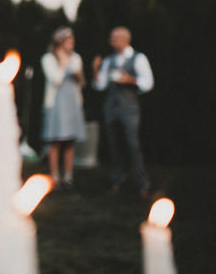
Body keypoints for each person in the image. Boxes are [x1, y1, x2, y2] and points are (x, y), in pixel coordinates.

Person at [92, 26, 154, 196]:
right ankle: (117, 179)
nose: (111, 40)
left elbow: (148, 82)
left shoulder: (138, 58)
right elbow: (101, 85)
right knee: (115, 145)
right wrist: (95, 69)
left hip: (130, 108)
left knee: (133, 145)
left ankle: (143, 184)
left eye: (114, 37)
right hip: (111, 107)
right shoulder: (108, 60)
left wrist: (130, 80)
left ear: (125, 39)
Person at [40, 27, 86, 189]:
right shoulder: (48, 59)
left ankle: (68, 176)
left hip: (73, 102)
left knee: (70, 140)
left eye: (72, 41)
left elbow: (81, 82)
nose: (72, 44)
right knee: (56, 140)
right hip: (56, 103)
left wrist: (79, 75)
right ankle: (54, 176)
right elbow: (56, 80)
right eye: (69, 41)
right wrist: (63, 63)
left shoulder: (77, 57)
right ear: (60, 43)